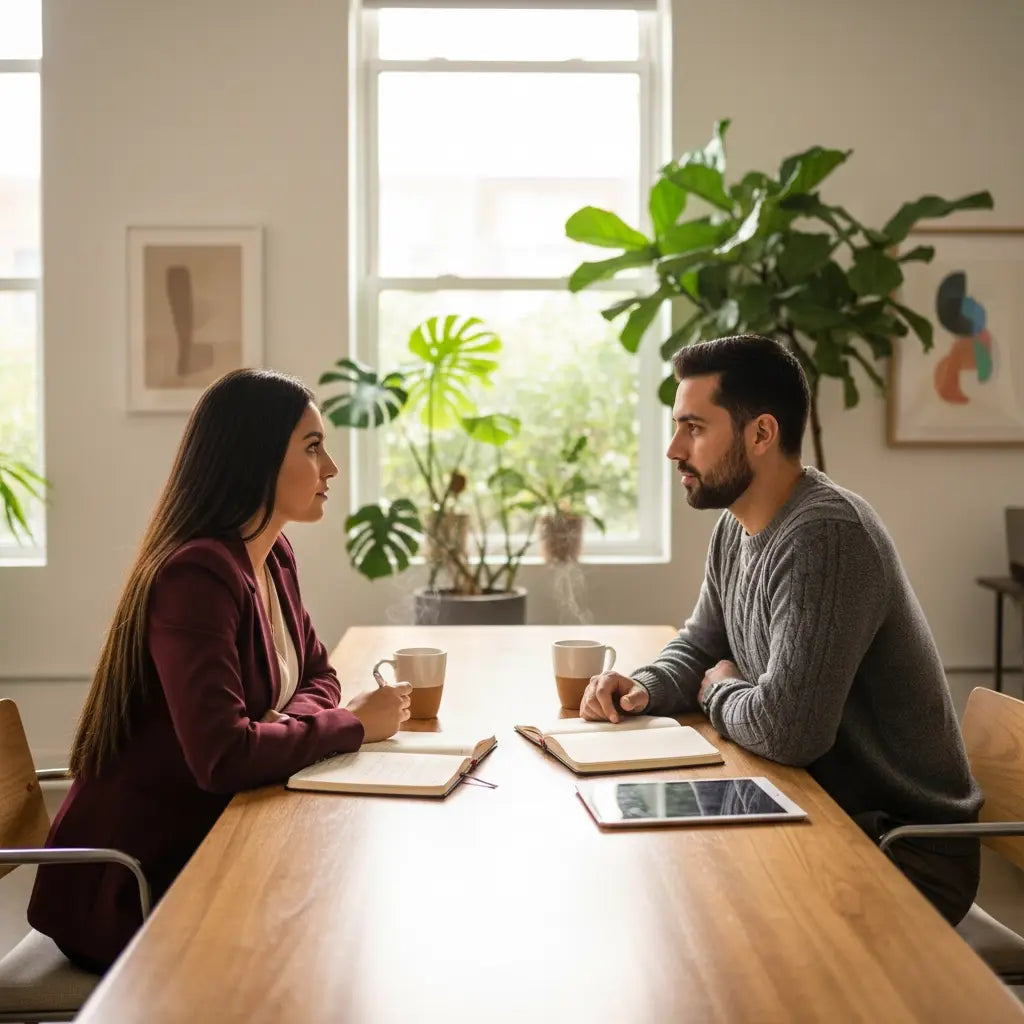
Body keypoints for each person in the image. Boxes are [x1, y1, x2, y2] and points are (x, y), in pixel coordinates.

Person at [581, 334, 982, 926]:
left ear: (761, 434)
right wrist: (645, 686)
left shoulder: (825, 536)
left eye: (693, 427)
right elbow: (702, 644)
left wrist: (718, 690)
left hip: (900, 850)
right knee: (650, 879)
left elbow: (790, 732)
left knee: (687, 917)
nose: (672, 449)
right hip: (819, 810)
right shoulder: (736, 527)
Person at [28, 368, 411, 971]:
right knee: (333, 938)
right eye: (313, 448)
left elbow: (319, 675)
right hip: (136, 885)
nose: (331, 468)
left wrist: (277, 724)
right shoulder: (197, 576)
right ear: (254, 459)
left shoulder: (271, 552)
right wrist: (352, 725)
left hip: (208, 845)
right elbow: (224, 757)